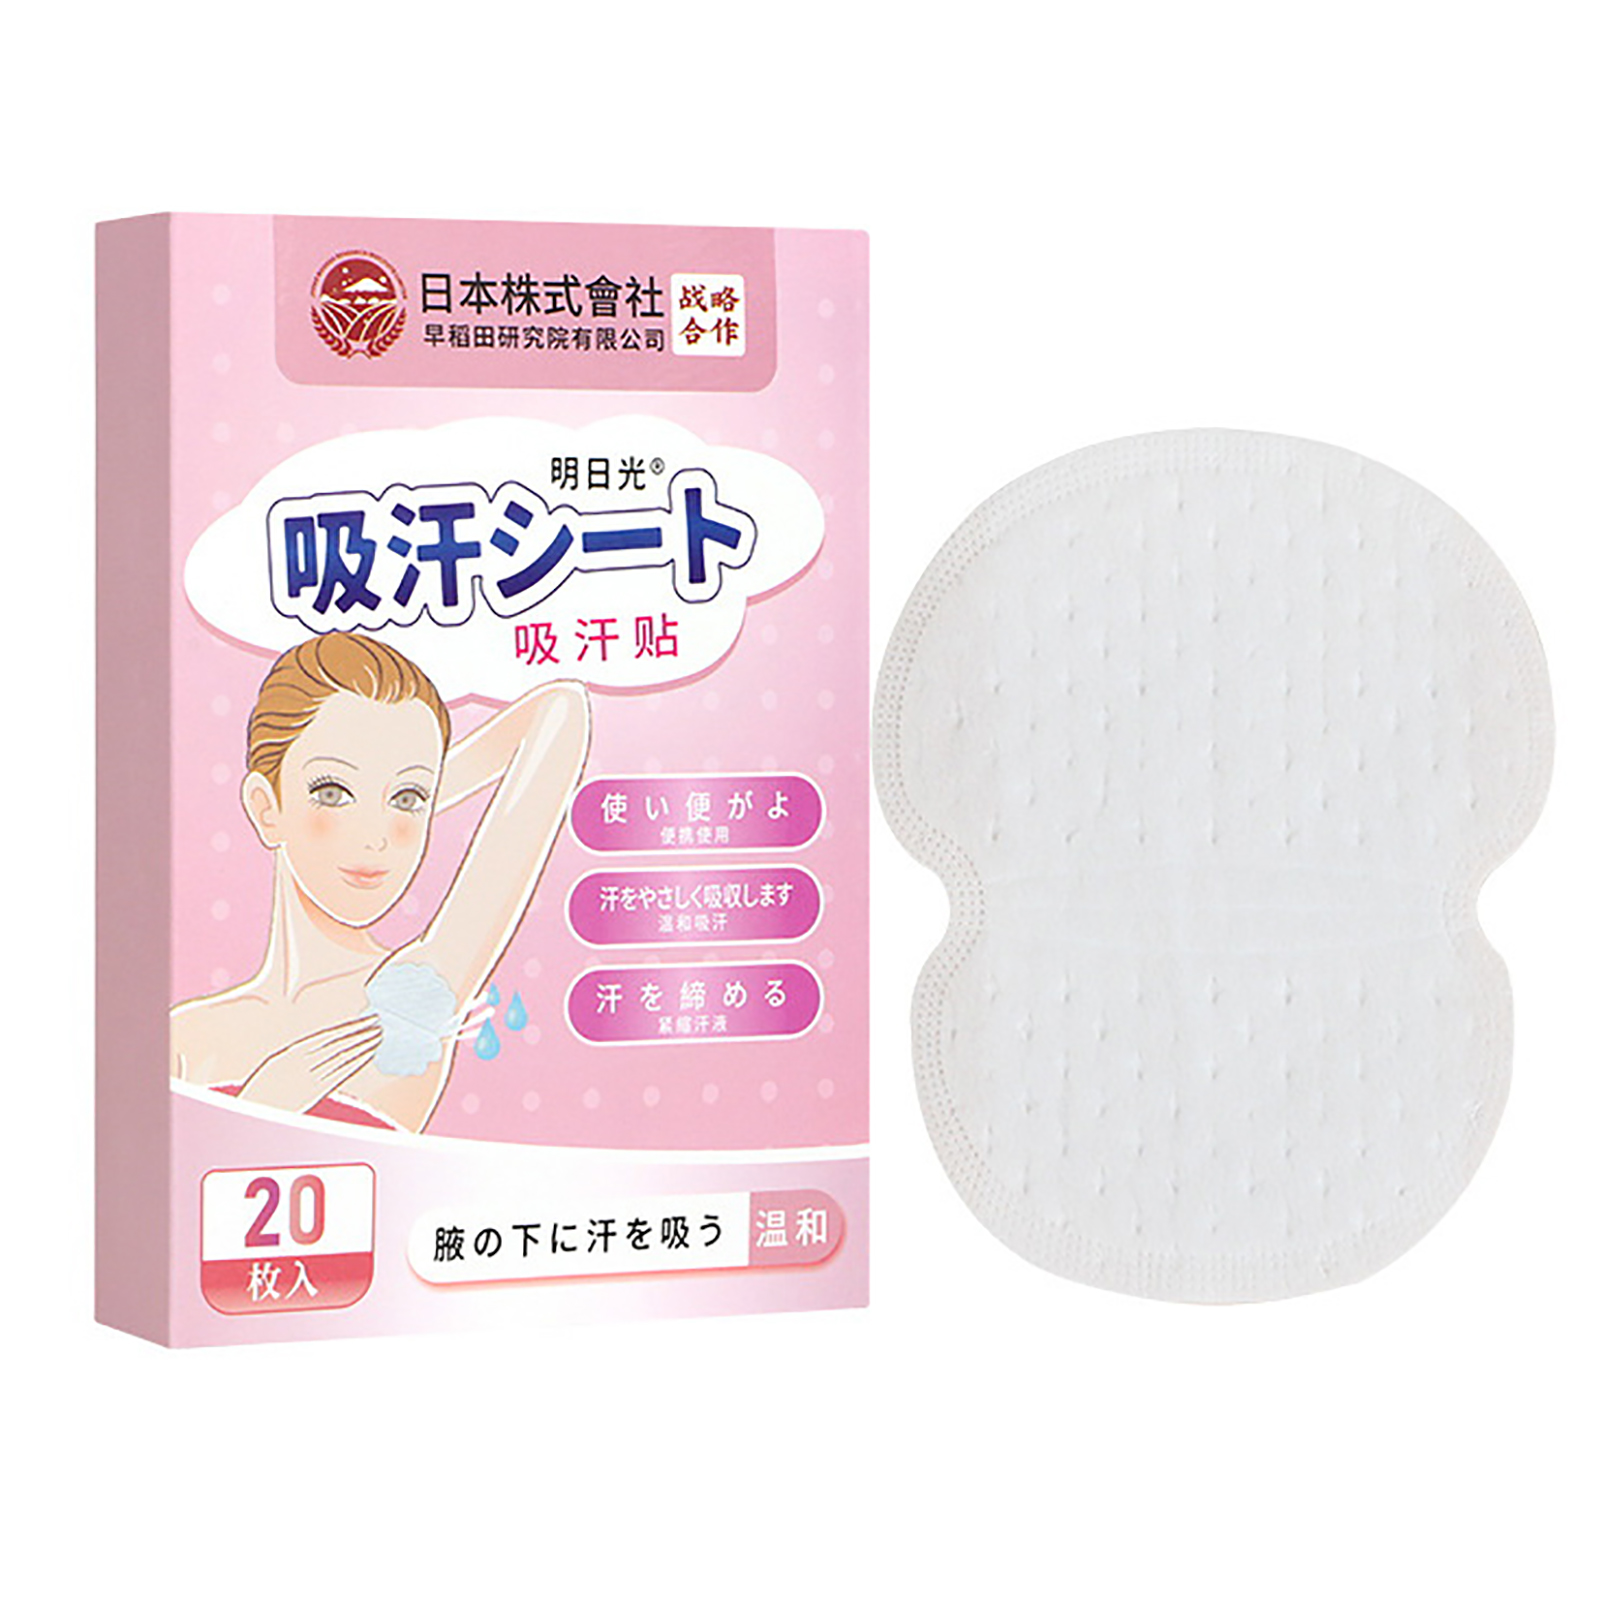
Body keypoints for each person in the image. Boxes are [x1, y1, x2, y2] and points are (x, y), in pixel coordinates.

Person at [170, 632, 590, 1132]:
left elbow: (562, 710)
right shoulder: (185, 1038)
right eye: (332, 791)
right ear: (266, 808)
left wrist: (414, 794)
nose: (376, 839)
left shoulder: (411, 996)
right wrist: (268, 1101)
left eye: (408, 799)